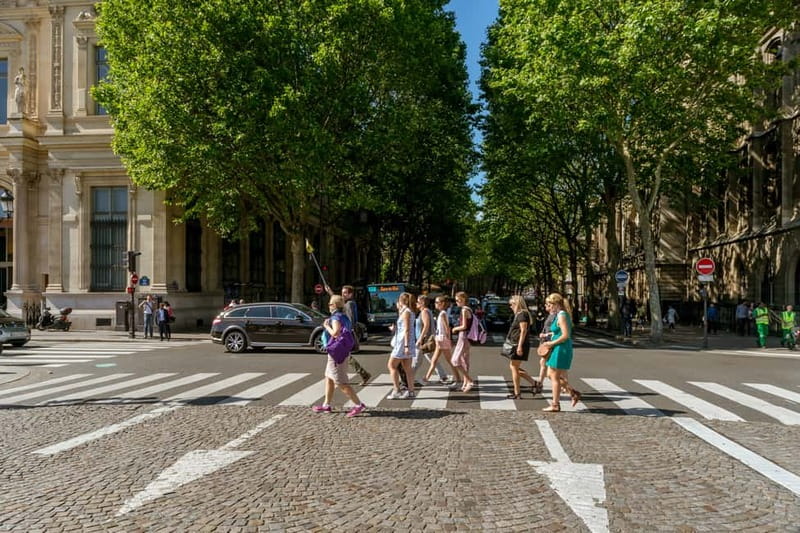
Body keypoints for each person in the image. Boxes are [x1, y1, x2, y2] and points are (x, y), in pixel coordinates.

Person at [311, 295, 366, 417]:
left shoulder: (335, 318)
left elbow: (335, 333)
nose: (329, 306)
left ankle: (358, 405)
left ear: (334, 306)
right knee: (329, 378)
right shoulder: (344, 316)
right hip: (341, 351)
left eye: (330, 304)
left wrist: (327, 326)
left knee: (341, 382)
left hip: (336, 353)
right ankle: (326, 404)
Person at [540, 292, 580, 412]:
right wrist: (548, 335)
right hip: (558, 347)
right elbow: (558, 331)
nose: (548, 307)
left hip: (560, 348)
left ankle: (555, 404)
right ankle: (572, 393)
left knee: (554, 376)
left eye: (550, 304)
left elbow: (565, 335)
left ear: (556, 304)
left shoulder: (562, 315)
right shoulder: (559, 315)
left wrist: (551, 343)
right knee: (550, 375)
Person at [326, 284, 371, 385]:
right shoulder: (347, 303)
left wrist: (346, 332)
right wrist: (330, 293)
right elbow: (338, 302)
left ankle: (360, 374)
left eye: (345, 293)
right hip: (345, 334)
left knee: (345, 356)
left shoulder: (349, 304)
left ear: (351, 294)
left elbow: (350, 320)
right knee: (346, 356)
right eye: (342, 293)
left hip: (345, 334)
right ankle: (362, 374)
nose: (343, 295)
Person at [503, 295, 542, 399]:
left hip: (518, 344)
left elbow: (523, 330)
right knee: (514, 367)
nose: (510, 306)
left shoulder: (522, 314)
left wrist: (519, 346)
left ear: (517, 304)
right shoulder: (521, 314)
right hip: (517, 343)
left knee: (514, 367)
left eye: (512, 304)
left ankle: (517, 393)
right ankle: (534, 383)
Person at [387, 292, 417, 399]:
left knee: (391, 365)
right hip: (406, 342)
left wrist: (406, 346)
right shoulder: (407, 311)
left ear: (401, 301)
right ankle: (411, 391)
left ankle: (396, 390)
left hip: (402, 343)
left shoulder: (406, 312)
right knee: (407, 367)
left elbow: (407, 330)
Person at [414, 294, 449, 384]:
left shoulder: (424, 312)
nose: (416, 303)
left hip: (424, 340)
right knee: (432, 359)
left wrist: (420, 338)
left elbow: (426, 325)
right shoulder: (427, 311)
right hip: (427, 339)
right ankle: (443, 376)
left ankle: (407, 379)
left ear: (422, 303)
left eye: (417, 302)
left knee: (416, 361)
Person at [426, 295, 460, 387]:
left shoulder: (443, 314)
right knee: (434, 360)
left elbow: (446, 328)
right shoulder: (442, 313)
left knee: (449, 360)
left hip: (442, 339)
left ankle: (458, 379)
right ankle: (425, 378)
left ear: (442, 304)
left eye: (437, 302)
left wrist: (449, 339)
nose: (435, 304)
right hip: (440, 339)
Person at [450, 291, 475, 393]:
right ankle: (465, 383)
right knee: (464, 361)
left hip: (463, 336)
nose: (456, 302)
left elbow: (464, 326)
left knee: (455, 360)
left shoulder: (464, 310)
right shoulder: (469, 309)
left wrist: (455, 329)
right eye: (456, 300)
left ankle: (469, 381)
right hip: (468, 337)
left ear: (463, 299)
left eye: (458, 300)